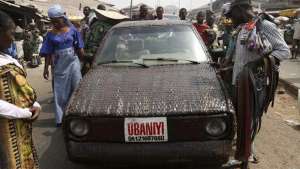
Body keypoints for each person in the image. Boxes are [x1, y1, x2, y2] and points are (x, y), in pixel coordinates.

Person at [223, 0, 290, 163]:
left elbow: (284, 51)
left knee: (250, 117)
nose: (231, 20)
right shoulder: (244, 27)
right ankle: (247, 150)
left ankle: (245, 155)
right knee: (242, 116)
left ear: (241, 10)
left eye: (233, 16)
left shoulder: (265, 26)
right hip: (239, 80)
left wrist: (258, 63)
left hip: (255, 83)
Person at [0, 10, 41, 169]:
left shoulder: (7, 58)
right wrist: (24, 113)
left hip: (18, 132)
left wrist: (35, 104)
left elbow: (22, 87)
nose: (13, 38)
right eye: (10, 33)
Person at [40, 4, 84, 127]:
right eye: (53, 21)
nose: (55, 24)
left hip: (73, 63)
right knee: (60, 93)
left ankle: (78, 114)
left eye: (57, 21)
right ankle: (60, 119)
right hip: (59, 66)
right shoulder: (50, 35)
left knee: (77, 87)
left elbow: (79, 48)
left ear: (63, 17)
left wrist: (87, 63)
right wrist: (46, 69)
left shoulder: (73, 31)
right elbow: (48, 53)